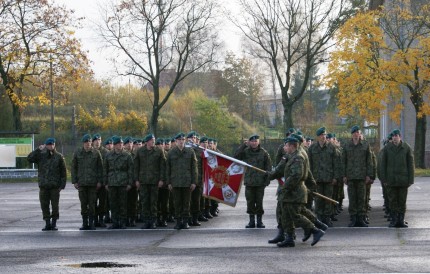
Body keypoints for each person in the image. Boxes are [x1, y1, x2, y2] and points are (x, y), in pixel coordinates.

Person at [277, 137, 325, 247]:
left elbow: (296, 176)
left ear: (292, 146)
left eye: (286, 145)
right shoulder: (291, 156)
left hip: (295, 191)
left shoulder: (298, 157)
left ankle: (316, 231)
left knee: (295, 215)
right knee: (286, 215)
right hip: (290, 191)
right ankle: (289, 238)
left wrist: (285, 187)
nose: (284, 147)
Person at [27, 138, 67, 231]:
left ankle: (54, 224)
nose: (51, 146)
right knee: (44, 205)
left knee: (55, 206)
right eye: (49, 145)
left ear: (54, 145)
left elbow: (63, 172)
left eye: (52, 144)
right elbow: (29, 158)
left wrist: (62, 185)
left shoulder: (59, 157)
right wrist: (38, 149)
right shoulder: (41, 156)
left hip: (54, 186)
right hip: (44, 186)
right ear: (46, 145)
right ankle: (47, 223)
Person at [234, 134, 272, 228]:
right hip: (249, 182)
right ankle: (251, 221)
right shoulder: (245, 152)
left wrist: (267, 180)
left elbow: (268, 168)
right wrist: (243, 146)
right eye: (252, 141)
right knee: (250, 202)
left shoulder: (264, 153)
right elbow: (236, 157)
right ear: (249, 142)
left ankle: (259, 221)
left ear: (259, 142)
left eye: (256, 141)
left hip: (260, 182)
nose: (254, 143)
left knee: (259, 202)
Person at [380, 129, 414, 228]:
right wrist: (384, 179)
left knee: (402, 201)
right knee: (392, 201)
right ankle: (394, 220)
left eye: (397, 136)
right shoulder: (387, 148)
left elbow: (411, 164)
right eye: (394, 136)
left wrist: (411, 179)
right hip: (391, 180)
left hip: (403, 179)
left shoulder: (406, 148)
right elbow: (383, 165)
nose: (395, 138)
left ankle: (401, 220)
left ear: (400, 137)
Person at [307, 127, 341, 227]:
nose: (324, 137)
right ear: (318, 137)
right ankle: (319, 219)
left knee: (328, 199)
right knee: (318, 200)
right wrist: (310, 178)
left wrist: (335, 177)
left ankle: (327, 218)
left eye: (325, 135)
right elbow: (309, 165)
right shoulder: (312, 148)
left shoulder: (332, 147)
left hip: (329, 178)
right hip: (316, 179)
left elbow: (336, 164)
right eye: (322, 135)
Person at [342, 125, 374, 227]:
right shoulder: (347, 145)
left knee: (361, 198)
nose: (356, 134)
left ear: (360, 134)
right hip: (350, 176)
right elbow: (343, 162)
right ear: (352, 135)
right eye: (354, 133)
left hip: (361, 176)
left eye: (358, 133)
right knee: (352, 198)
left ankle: (361, 218)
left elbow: (369, 161)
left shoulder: (365, 145)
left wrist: (369, 174)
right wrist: (344, 175)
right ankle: (353, 218)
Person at [166, 132, 198, 230]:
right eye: (179, 140)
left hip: (187, 182)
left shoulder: (190, 152)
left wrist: (194, 182)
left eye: (183, 140)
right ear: (175, 141)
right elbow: (168, 169)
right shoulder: (171, 153)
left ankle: (185, 222)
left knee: (186, 203)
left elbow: (194, 168)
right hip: (175, 182)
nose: (181, 142)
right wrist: (169, 182)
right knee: (177, 203)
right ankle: (178, 221)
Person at [134, 133, 166, 229]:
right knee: (144, 202)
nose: (153, 142)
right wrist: (136, 180)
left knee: (153, 202)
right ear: (147, 141)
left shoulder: (159, 151)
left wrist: (161, 179)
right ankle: (147, 221)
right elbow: (136, 167)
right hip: (143, 181)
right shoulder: (140, 151)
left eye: (154, 140)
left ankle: (153, 221)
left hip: (154, 181)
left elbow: (162, 166)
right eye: (152, 140)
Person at [72, 134, 103, 230]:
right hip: (82, 183)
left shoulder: (96, 153)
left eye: (89, 142)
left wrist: (99, 181)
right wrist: (75, 181)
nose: (88, 144)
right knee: (83, 204)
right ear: (83, 143)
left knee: (92, 204)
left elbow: (100, 168)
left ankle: (91, 223)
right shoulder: (78, 153)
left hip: (92, 184)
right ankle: (85, 223)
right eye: (86, 142)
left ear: (91, 142)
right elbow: (74, 167)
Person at [104, 136, 134, 229]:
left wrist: (129, 183)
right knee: (113, 203)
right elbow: (105, 170)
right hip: (112, 182)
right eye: (118, 144)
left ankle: (123, 222)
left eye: (121, 143)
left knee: (123, 203)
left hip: (123, 182)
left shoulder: (127, 155)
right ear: (115, 145)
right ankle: (115, 222)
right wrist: (105, 183)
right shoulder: (108, 155)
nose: (120, 145)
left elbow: (130, 170)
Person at [92, 133, 109, 228]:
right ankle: (94, 220)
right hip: (93, 182)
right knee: (93, 202)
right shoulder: (91, 152)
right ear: (93, 142)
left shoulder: (106, 152)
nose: (97, 142)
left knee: (103, 203)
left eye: (99, 140)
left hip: (103, 182)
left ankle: (101, 219)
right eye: (95, 140)